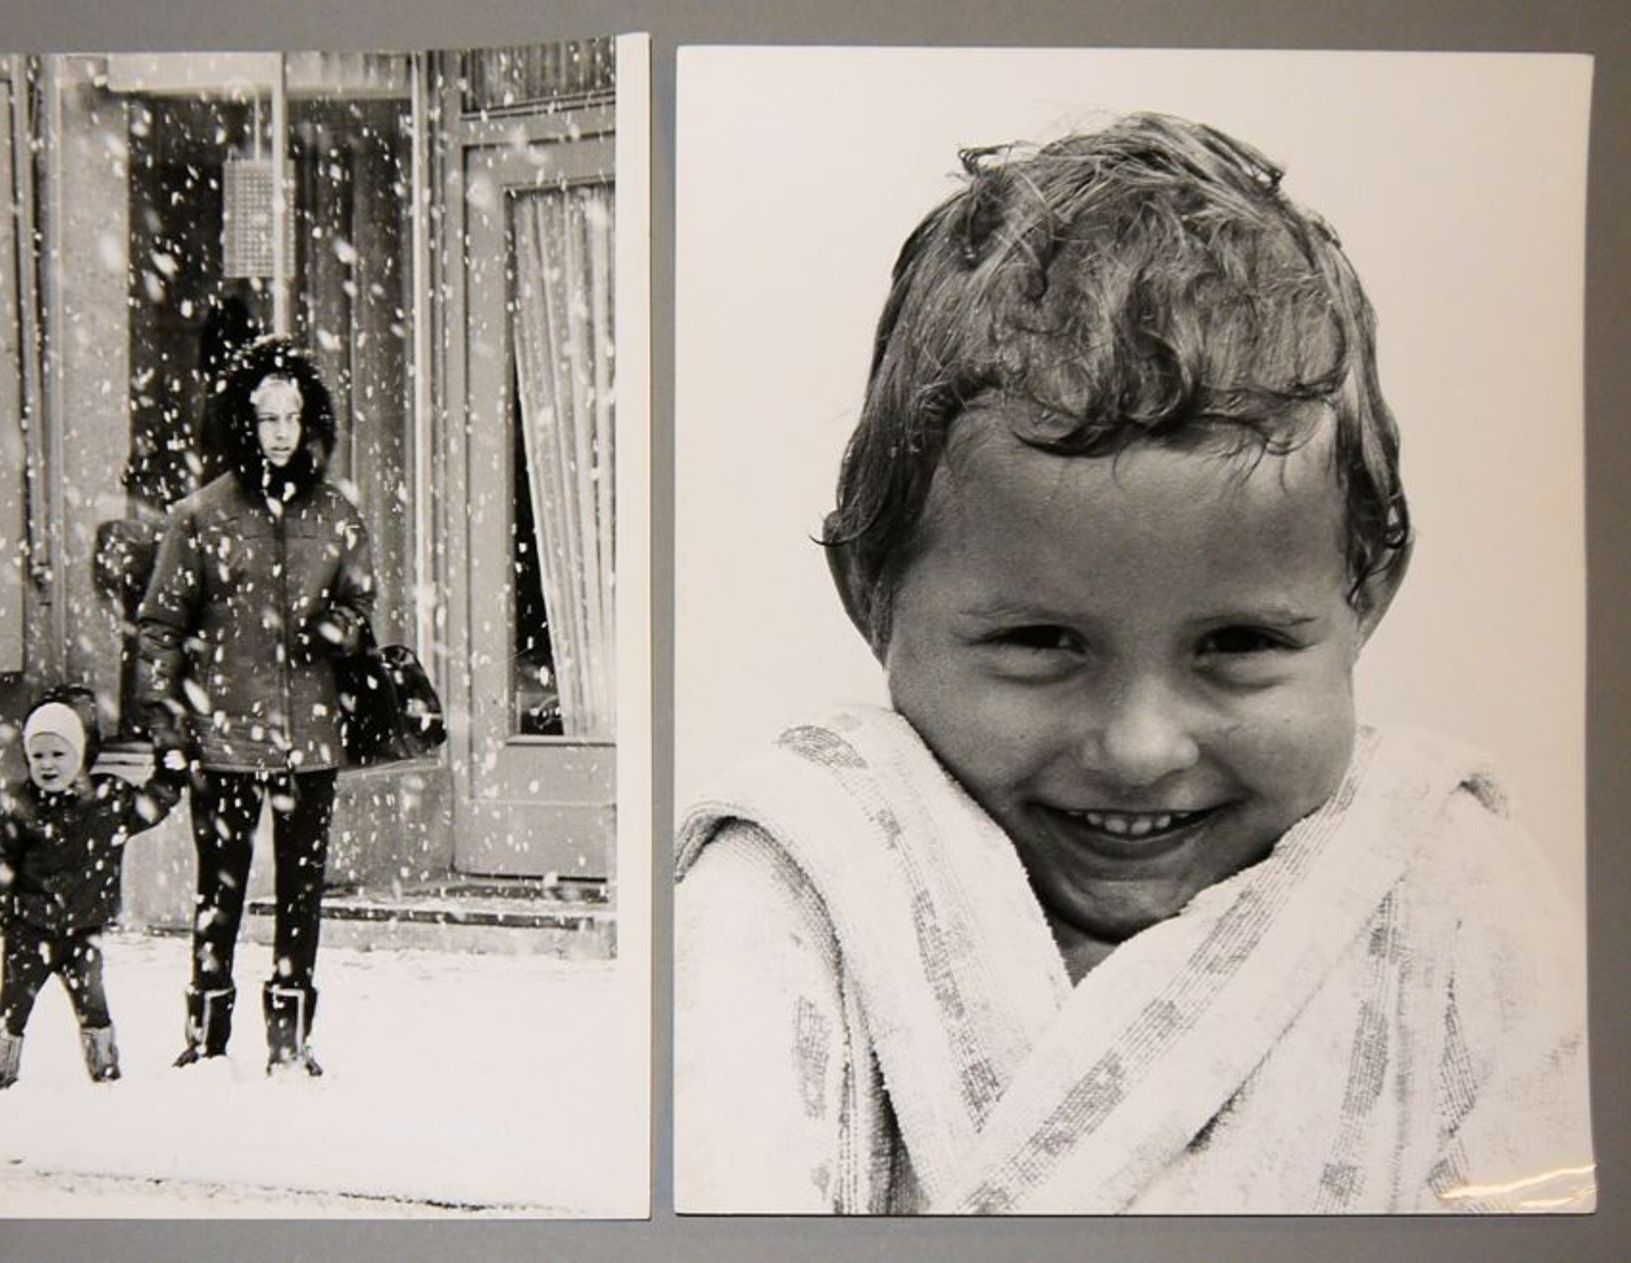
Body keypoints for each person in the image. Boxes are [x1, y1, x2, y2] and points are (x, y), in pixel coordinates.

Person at [674, 114, 1593, 1213]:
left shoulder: (1453, 897)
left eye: (1238, 646)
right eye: (1040, 644)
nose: (1141, 749)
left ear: (1367, 597)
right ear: (871, 595)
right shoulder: (803, 887)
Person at [135, 335, 374, 1076]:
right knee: (220, 887)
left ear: (310, 423)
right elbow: (160, 628)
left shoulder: (337, 514)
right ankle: (207, 1034)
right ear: (243, 421)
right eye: (266, 417)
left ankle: (289, 1035)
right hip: (223, 736)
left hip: (310, 739)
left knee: (304, 890)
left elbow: (362, 608)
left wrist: (344, 627)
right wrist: (169, 724)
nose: (279, 432)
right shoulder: (199, 516)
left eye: (292, 417)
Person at [0, 688, 183, 1091]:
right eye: (38, 756)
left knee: (93, 1002)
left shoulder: (107, 802)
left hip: (83, 928)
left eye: (59, 754)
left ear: (81, 755)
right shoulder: (20, 806)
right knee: (14, 1002)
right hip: (29, 927)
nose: (48, 765)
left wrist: (171, 770)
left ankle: (105, 1072)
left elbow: (152, 805)